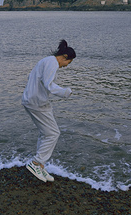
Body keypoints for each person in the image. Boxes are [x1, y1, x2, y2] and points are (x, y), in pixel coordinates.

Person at [22, 39, 76, 183]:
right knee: (53, 133)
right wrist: (65, 92)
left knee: (46, 133)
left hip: (31, 100)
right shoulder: (52, 63)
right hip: (37, 103)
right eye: (68, 63)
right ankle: (35, 163)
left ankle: (40, 164)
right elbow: (49, 85)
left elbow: (31, 77)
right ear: (64, 57)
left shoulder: (45, 61)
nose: (66, 66)